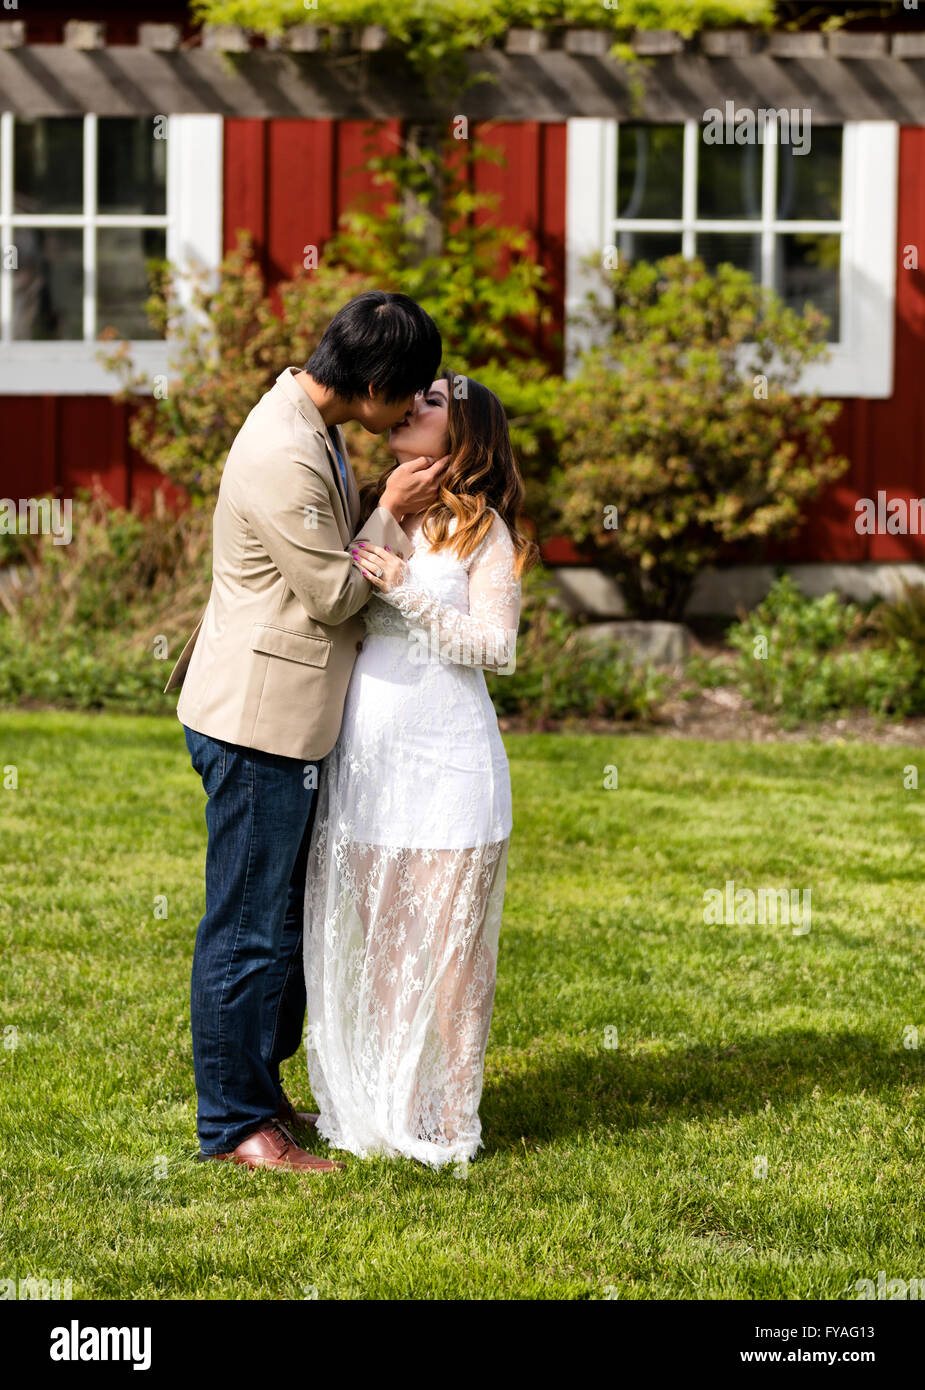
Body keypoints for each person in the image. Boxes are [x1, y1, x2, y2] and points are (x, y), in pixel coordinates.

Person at [165, 291, 445, 1173]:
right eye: (406, 396)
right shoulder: (284, 448)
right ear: (368, 384)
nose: (408, 411)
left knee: (278, 922)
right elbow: (331, 594)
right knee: (247, 930)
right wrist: (392, 508)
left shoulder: (311, 414)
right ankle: (234, 1127)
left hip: (286, 719)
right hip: (258, 722)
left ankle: (258, 1094)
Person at [303, 369, 539, 1169]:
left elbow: (493, 648)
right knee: (384, 944)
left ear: (463, 434)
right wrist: (387, 526)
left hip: (449, 760)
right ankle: (385, 1099)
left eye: (432, 402)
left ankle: (450, 1116)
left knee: (451, 951)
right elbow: (334, 602)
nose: (412, 405)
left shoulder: (486, 534)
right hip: (369, 755)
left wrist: (405, 589)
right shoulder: (381, 508)